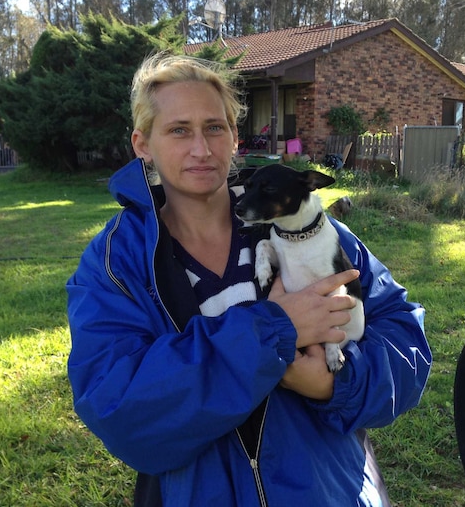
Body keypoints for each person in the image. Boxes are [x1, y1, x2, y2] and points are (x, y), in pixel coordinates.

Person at [66, 54, 432, 506]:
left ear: (235, 137)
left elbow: (405, 341)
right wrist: (275, 330)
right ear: (143, 144)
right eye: (179, 130)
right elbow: (119, 408)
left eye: (215, 128)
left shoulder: (306, 228)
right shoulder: (115, 263)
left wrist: (333, 383)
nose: (201, 149)